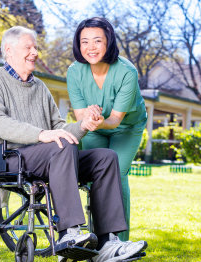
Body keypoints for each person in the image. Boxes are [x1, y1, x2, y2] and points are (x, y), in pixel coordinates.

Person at [0, 26, 147, 262]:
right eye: (28, 47)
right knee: (60, 145)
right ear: (9, 50)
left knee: (106, 158)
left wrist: (84, 125)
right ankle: (69, 233)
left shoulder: (39, 87)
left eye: (35, 47)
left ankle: (106, 242)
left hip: (48, 154)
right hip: (8, 155)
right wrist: (42, 134)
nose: (34, 52)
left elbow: (59, 126)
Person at [67, 17, 147, 241]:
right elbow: (81, 117)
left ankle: (120, 242)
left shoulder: (126, 72)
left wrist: (98, 119)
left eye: (97, 41)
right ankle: (100, 239)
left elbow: (114, 120)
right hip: (96, 129)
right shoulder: (74, 72)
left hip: (126, 128)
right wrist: (91, 119)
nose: (90, 47)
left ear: (109, 42)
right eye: (84, 42)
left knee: (117, 174)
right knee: (95, 176)